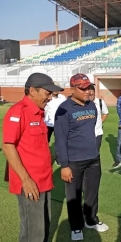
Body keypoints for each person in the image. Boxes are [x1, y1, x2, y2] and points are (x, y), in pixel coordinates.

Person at [2, 73, 63, 242]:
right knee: (33, 233)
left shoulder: (39, 112)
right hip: (30, 182)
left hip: (43, 180)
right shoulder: (18, 112)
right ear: (32, 91)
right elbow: (8, 146)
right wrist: (26, 179)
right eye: (47, 93)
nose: (50, 97)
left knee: (43, 228)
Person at [54, 73, 109, 241]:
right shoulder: (64, 109)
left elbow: (90, 130)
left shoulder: (92, 106)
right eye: (82, 88)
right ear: (73, 89)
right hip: (73, 161)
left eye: (88, 87)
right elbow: (60, 139)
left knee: (92, 192)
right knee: (74, 195)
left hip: (93, 158)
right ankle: (76, 226)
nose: (87, 91)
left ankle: (91, 220)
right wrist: (64, 165)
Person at [44, 81, 66, 165]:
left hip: (59, 123)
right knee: (45, 142)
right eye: (54, 89)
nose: (56, 91)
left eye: (57, 88)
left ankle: (58, 159)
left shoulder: (62, 98)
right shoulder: (48, 98)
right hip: (48, 124)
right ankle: (45, 158)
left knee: (59, 142)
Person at [89, 85, 109, 152]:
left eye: (92, 94)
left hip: (97, 132)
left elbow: (105, 113)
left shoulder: (100, 102)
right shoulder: (84, 103)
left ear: (95, 93)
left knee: (96, 152)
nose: (90, 97)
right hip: (86, 133)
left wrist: (100, 122)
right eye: (89, 95)